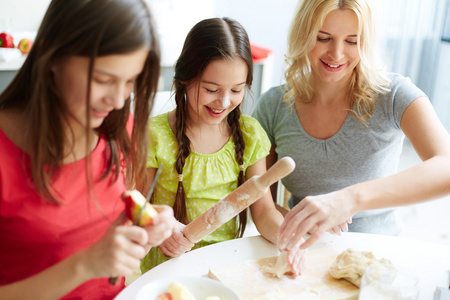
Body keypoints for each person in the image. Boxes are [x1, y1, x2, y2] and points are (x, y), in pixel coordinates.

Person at [0, 0, 176, 299]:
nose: (119, 100)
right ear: (50, 55)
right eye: (103, 80)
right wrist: (84, 265)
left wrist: (146, 227)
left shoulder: (120, 126)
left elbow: (114, 212)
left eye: (130, 81)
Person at [252, 0, 450, 252]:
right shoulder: (273, 105)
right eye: (323, 38)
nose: (336, 54)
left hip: (378, 255)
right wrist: (304, 223)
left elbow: (446, 167)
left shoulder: (394, 95)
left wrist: (347, 200)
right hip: (305, 253)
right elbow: (258, 201)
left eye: (351, 41)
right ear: (303, 34)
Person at [140, 17, 306, 276]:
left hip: (225, 265)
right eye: (211, 89)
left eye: (237, 90)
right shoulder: (155, 134)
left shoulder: (249, 134)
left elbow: (263, 212)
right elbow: (135, 201)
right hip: (168, 266)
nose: (224, 101)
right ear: (185, 77)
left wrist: (286, 239)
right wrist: (162, 227)